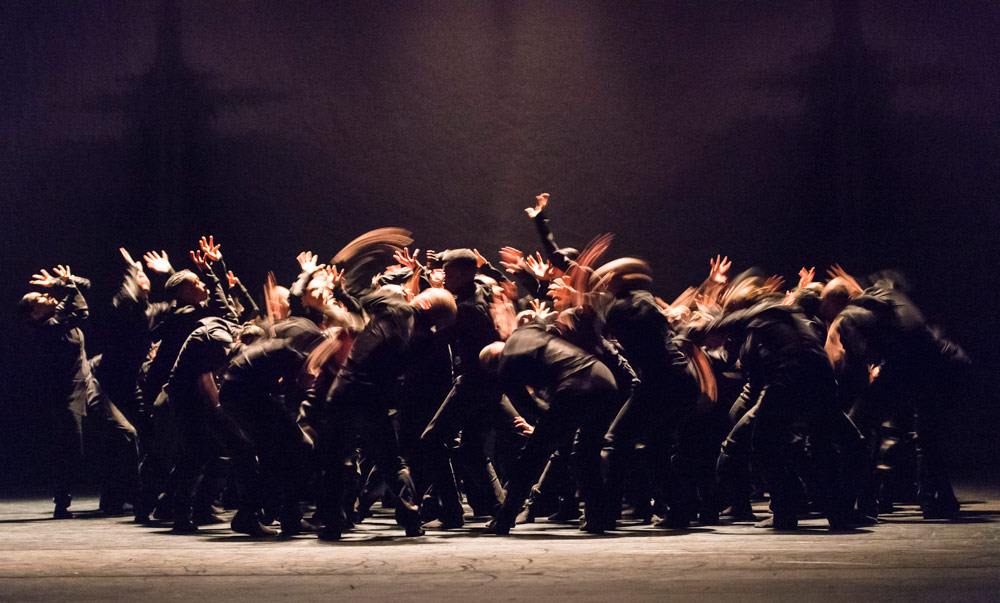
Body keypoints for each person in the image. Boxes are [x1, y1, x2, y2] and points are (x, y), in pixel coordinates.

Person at [316, 287, 457, 541]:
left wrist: (340, 289)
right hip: (376, 398)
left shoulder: (396, 306)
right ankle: (412, 519)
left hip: (346, 389)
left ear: (424, 305)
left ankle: (332, 524)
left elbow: (365, 300)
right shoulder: (426, 340)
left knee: (334, 459)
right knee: (392, 461)